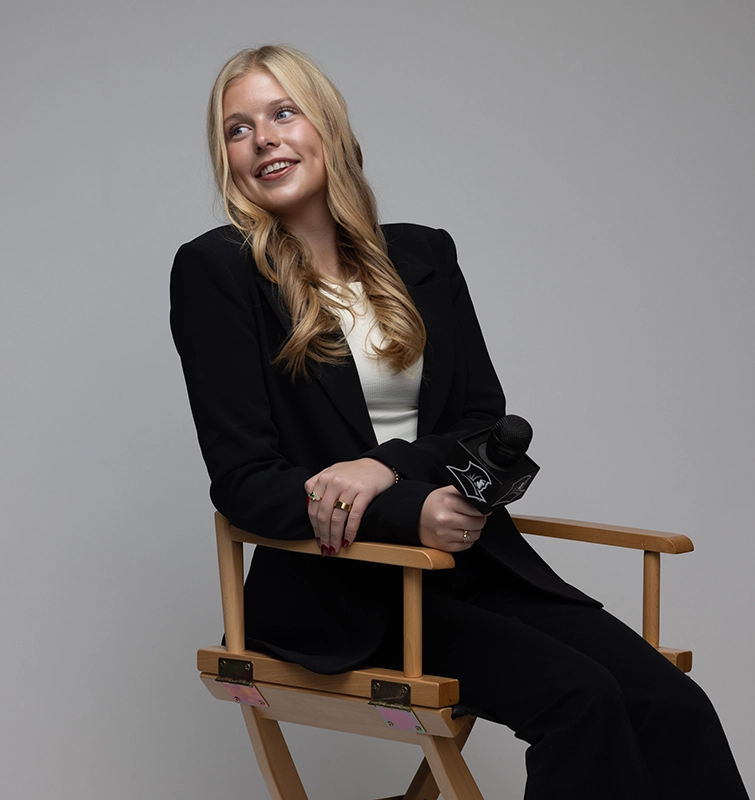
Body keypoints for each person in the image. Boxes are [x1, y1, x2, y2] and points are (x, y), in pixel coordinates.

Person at [170, 45, 749, 800]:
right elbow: (245, 483)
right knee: (581, 702)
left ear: (329, 127)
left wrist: (388, 468)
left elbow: (483, 422)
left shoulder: (421, 254)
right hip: (345, 590)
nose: (264, 138)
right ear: (228, 159)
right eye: (238, 129)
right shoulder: (218, 270)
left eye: (283, 112)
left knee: (672, 706)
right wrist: (410, 511)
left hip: (475, 563)